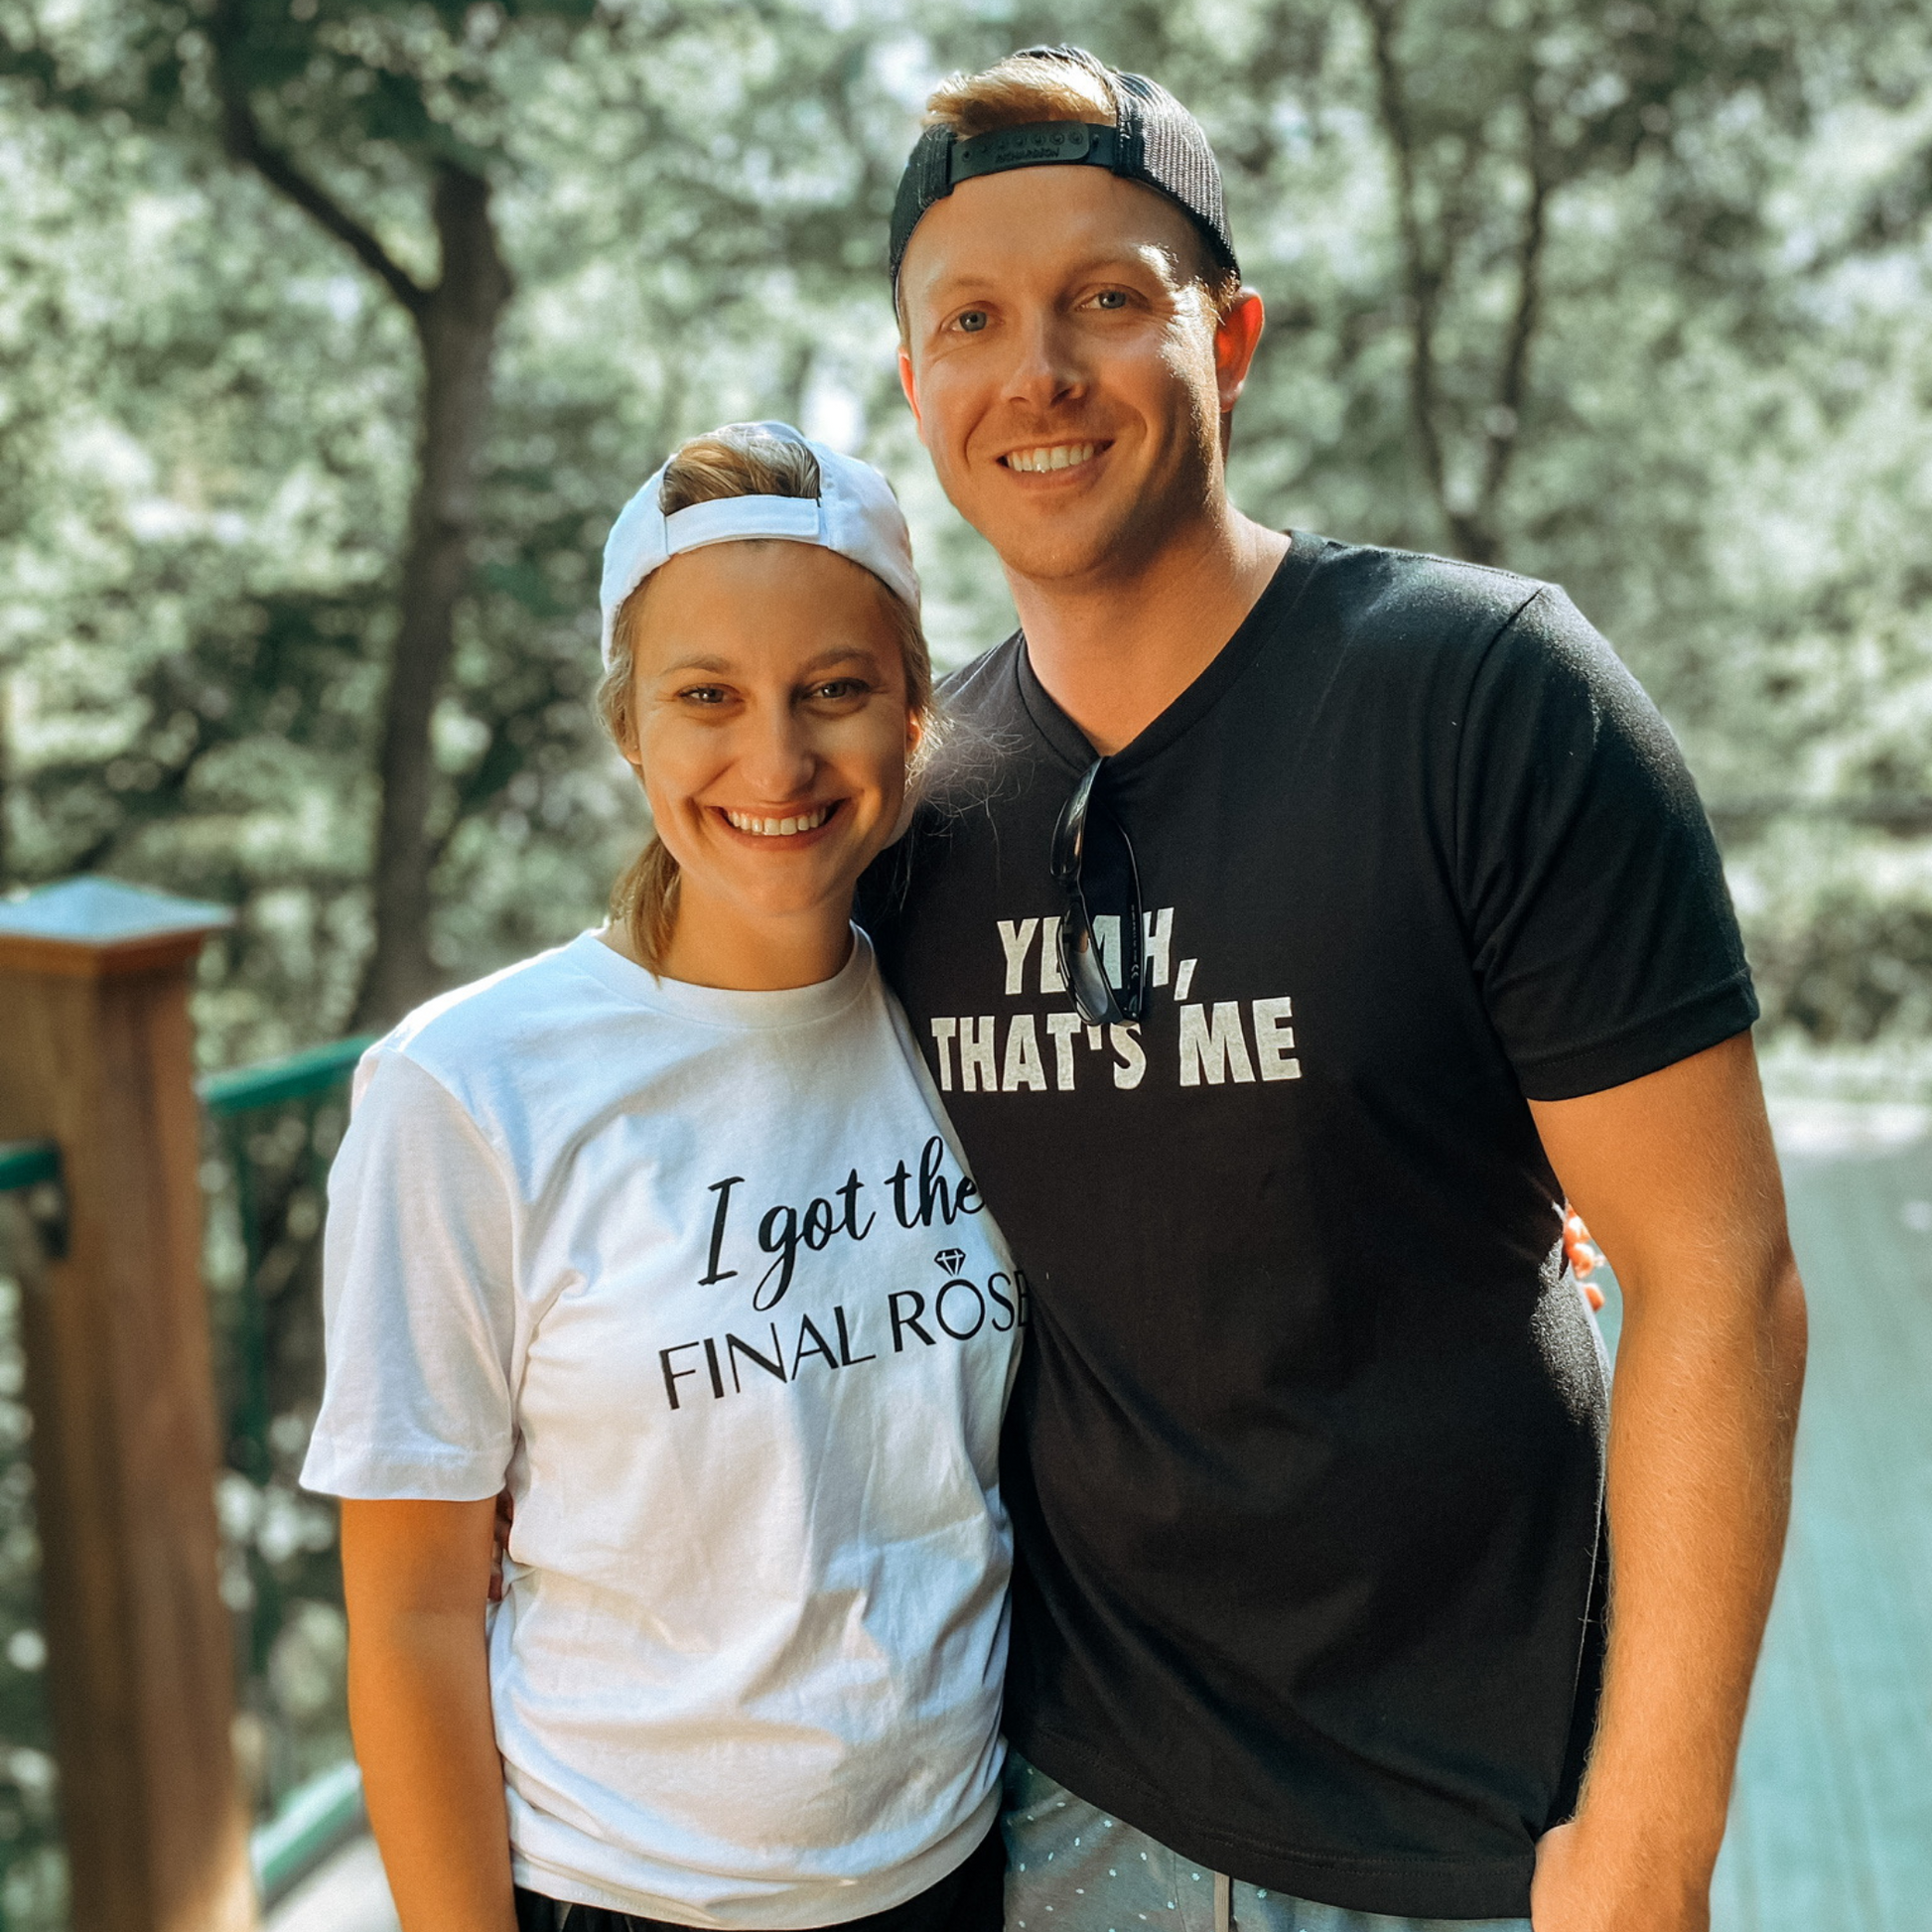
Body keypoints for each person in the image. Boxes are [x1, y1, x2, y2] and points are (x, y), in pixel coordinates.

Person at [868, 45, 1808, 1932]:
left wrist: (1644, 1849)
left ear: (1229, 341)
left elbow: (1718, 1276)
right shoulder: (913, 805)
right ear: (916, 381)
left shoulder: (1481, 696)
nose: (1035, 369)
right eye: (969, 317)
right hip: (1057, 1806)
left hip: (1468, 1829)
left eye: (1108, 301)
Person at [302, 423, 1020, 1932]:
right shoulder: (467, 1088)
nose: (776, 758)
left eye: (833, 688)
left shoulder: (976, 1032)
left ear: (910, 713)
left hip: (959, 1863)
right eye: (708, 696)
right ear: (629, 724)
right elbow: (415, 1607)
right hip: (617, 1888)